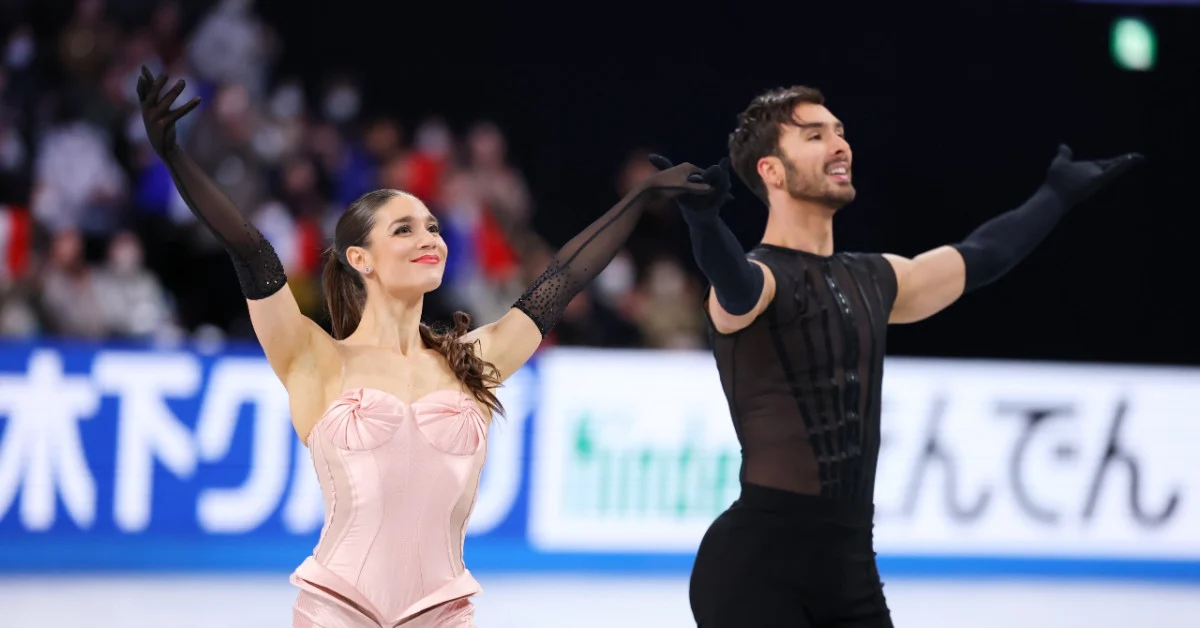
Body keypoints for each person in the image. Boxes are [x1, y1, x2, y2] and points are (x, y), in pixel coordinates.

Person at [135, 66, 721, 628]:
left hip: (445, 614)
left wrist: (639, 197)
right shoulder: (315, 357)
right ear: (359, 259)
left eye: (434, 227)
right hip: (337, 611)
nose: (429, 239)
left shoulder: (472, 360)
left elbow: (561, 279)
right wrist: (176, 157)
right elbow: (252, 252)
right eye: (405, 229)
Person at [656, 85, 1143, 628]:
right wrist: (704, 224)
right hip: (755, 570)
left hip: (850, 569)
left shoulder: (877, 278)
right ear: (771, 171)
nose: (839, 144)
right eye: (816, 135)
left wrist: (1055, 195)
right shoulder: (760, 281)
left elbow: (982, 257)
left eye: (840, 132)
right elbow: (735, 285)